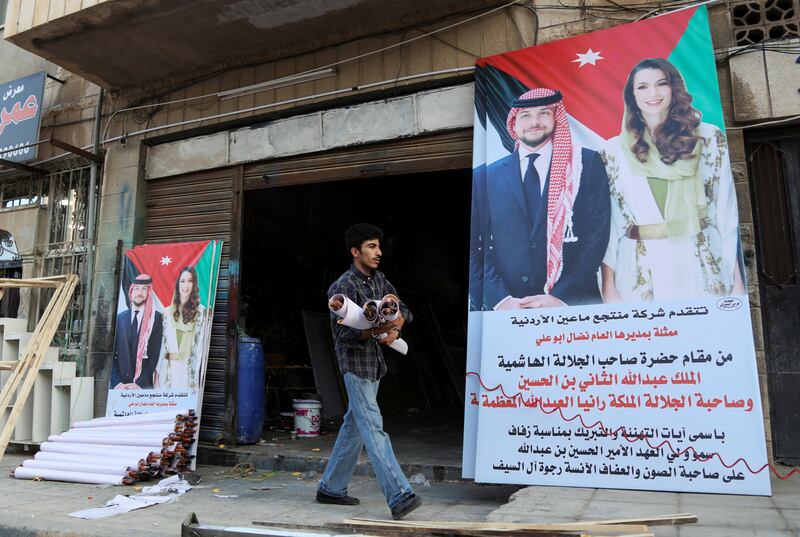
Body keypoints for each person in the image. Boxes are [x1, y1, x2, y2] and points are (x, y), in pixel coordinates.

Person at [601, 58, 745, 302]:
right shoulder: (613, 150)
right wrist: (608, 288)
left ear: (674, 88)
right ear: (632, 95)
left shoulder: (708, 138)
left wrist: (738, 282)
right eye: (643, 87)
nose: (653, 93)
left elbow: (726, 211)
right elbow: (610, 222)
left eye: (661, 84)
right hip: (640, 272)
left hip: (703, 264)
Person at [316, 223, 422, 520]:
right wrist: (375, 328)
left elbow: (404, 310)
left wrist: (394, 327)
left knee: (355, 424)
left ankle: (331, 487)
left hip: (375, 363)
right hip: (355, 365)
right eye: (372, 247)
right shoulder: (342, 288)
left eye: (379, 246)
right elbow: (343, 337)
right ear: (355, 252)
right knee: (373, 427)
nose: (379, 253)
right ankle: (399, 494)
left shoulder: (381, 280)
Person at [469, 88, 611, 311]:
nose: (534, 122)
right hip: (508, 308)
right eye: (525, 115)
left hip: (573, 306)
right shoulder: (484, 177)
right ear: (514, 124)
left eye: (544, 113)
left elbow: (597, 236)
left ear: (556, 117)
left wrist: (561, 297)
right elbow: (476, 248)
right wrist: (500, 300)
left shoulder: (586, 164)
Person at [155, 266, 207, 389]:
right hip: (167, 373)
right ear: (178, 284)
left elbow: (201, 348)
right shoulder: (167, 313)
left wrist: (199, 378)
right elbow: (161, 346)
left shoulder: (201, 312)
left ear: (194, 284)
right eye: (182, 281)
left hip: (189, 375)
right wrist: (156, 377)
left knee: (186, 408)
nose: (185, 285)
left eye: (190, 281)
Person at [111, 274, 163, 390]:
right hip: (120, 387)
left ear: (148, 293)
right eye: (137, 289)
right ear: (131, 291)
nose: (140, 293)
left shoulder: (155, 318)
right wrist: (117, 383)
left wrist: (140, 383)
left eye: (144, 289)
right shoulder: (119, 318)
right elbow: (111, 354)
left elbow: (155, 355)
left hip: (142, 387)